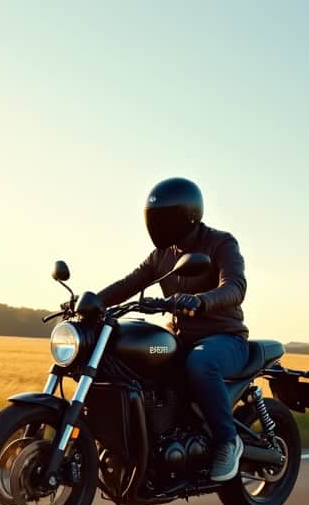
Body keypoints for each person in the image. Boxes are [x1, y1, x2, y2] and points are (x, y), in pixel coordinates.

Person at [97, 177, 249, 482]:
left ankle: (227, 442)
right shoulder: (162, 255)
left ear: (186, 216)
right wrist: (91, 303)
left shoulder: (221, 243)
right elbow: (129, 284)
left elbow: (235, 286)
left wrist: (200, 301)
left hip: (225, 339)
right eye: (155, 218)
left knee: (201, 362)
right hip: (181, 339)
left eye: (164, 218)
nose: (158, 225)